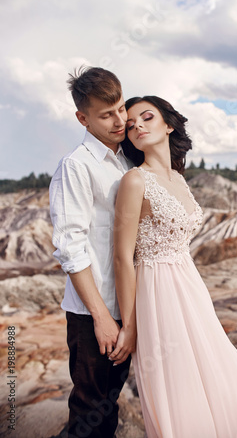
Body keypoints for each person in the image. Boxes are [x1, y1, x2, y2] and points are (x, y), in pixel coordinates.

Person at [110, 96, 237, 438]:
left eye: (147, 117)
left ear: (169, 125)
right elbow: (123, 257)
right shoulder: (134, 181)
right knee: (180, 388)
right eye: (131, 123)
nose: (136, 125)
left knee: (219, 373)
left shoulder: (180, 181)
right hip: (157, 295)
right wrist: (131, 325)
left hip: (191, 289)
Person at [49, 66, 134, 438]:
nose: (119, 120)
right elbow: (70, 247)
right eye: (106, 114)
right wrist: (101, 316)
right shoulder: (76, 167)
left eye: (120, 108)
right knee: (90, 411)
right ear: (82, 118)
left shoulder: (128, 159)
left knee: (108, 407)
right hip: (92, 315)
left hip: (127, 307)